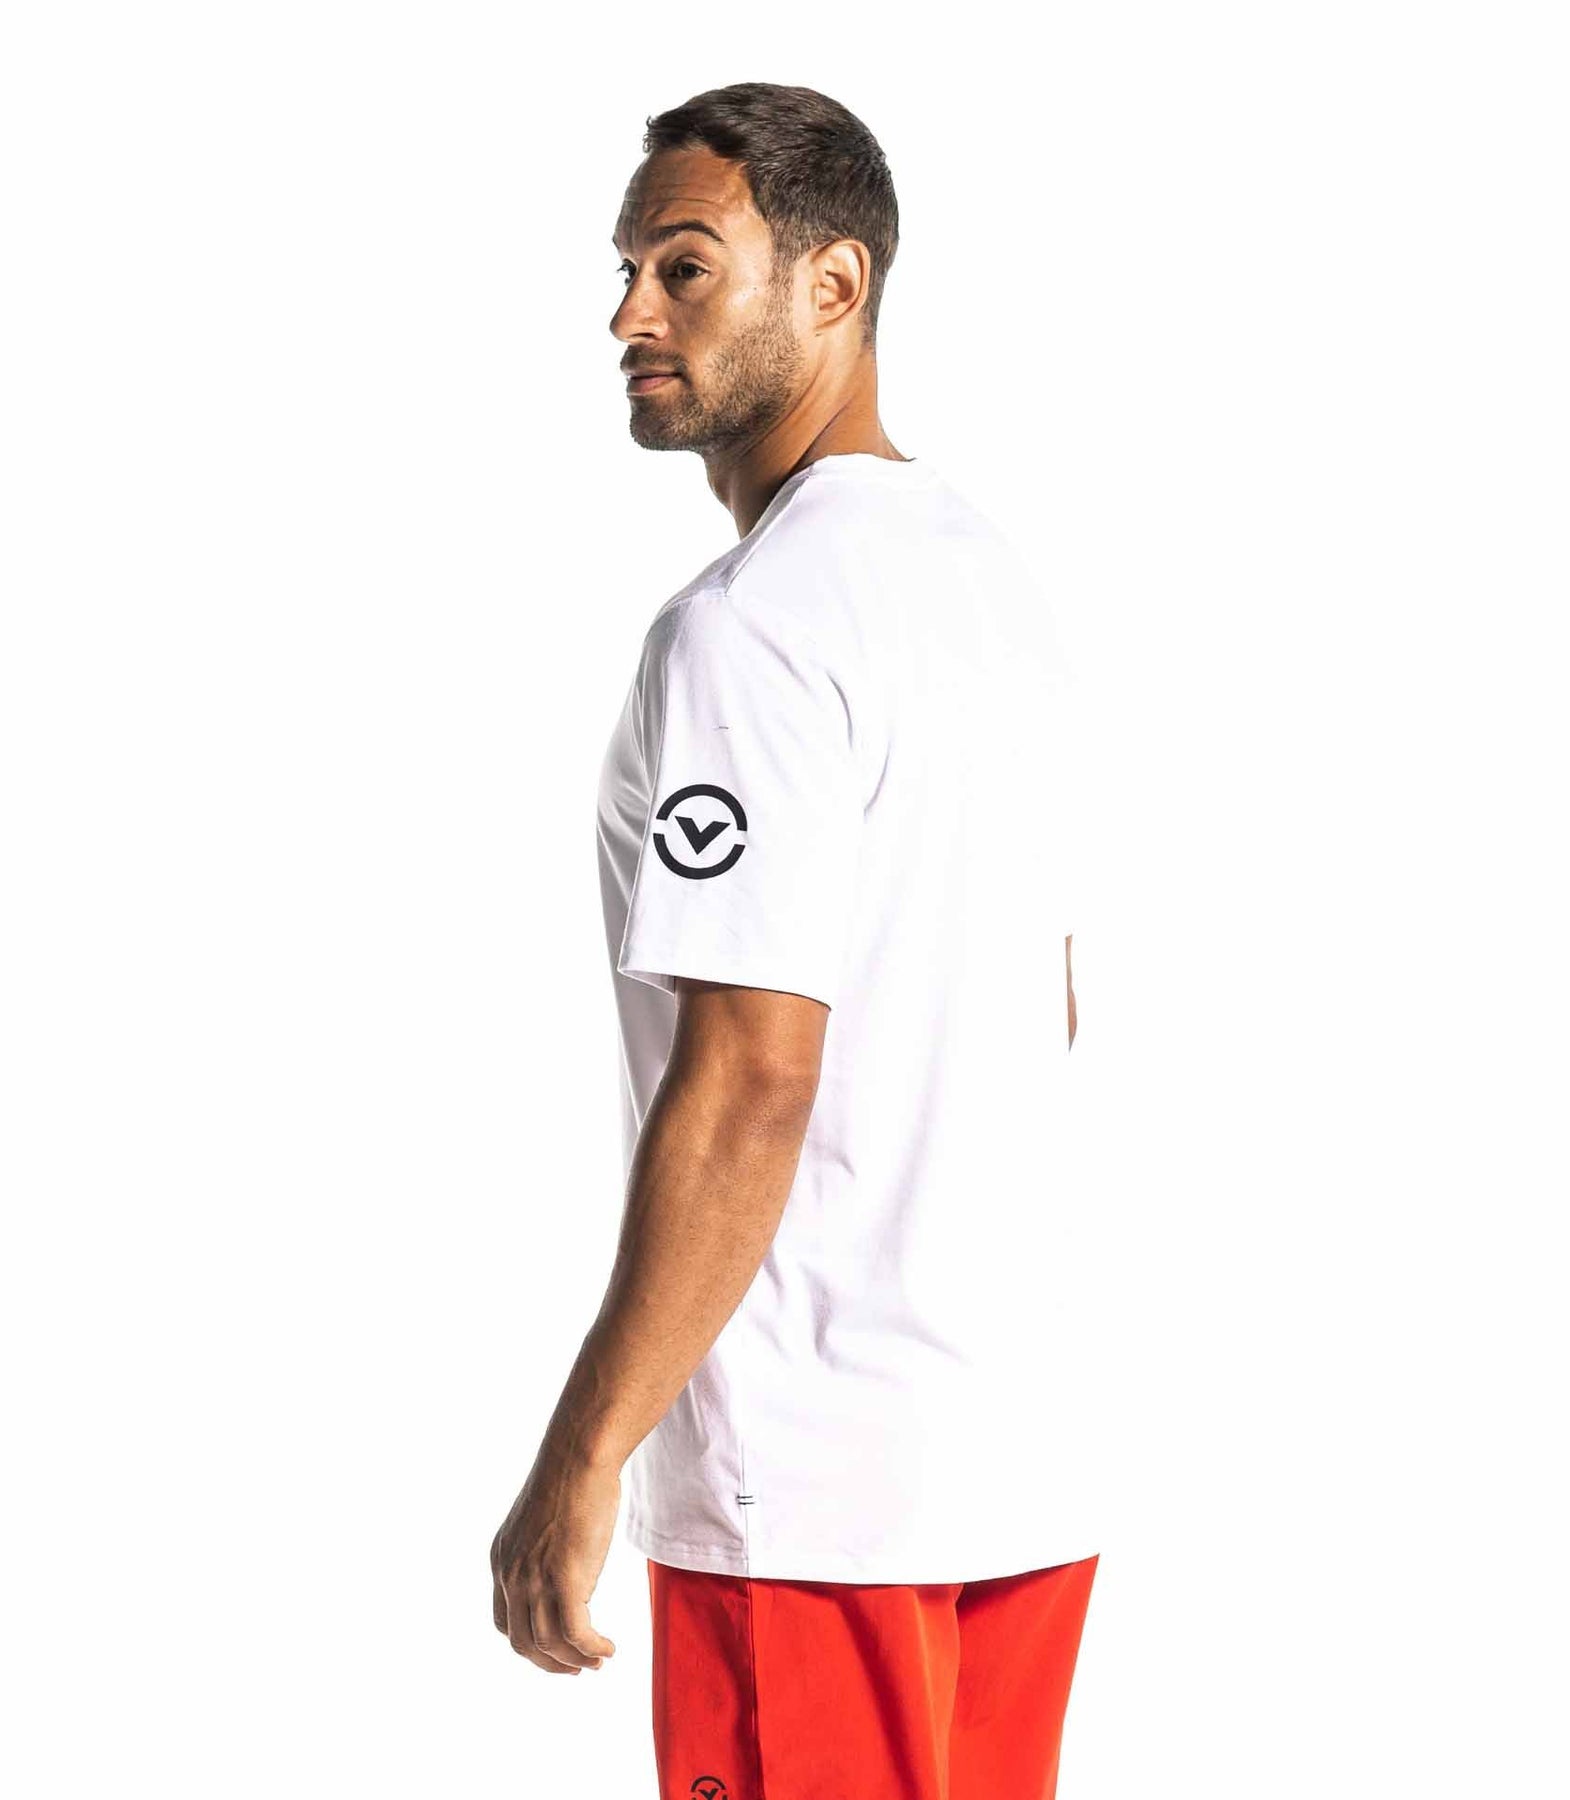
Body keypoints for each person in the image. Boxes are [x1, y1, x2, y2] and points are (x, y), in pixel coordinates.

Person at [492, 81, 1100, 1798]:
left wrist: (586, 1453)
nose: (629, 314)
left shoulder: (752, 630)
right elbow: (1044, 1005)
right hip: (1014, 1466)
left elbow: (752, 1074)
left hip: (814, 1496)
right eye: (625, 269)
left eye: (683, 267)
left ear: (834, 285)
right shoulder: (992, 590)